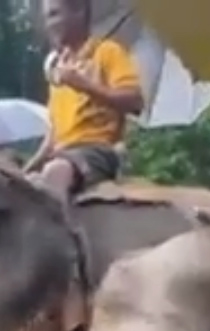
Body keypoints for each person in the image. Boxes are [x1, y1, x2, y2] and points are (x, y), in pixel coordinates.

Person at [24, 0, 144, 200]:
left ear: (78, 12)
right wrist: (24, 171)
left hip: (97, 150)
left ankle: (60, 231)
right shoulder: (59, 69)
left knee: (56, 172)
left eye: (54, 15)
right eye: (47, 18)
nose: (49, 24)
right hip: (62, 153)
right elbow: (54, 136)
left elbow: (135, 102)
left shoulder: (107, 52)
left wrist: (83, 85)